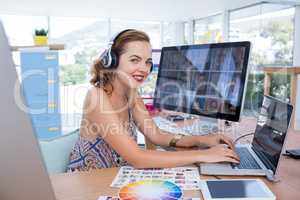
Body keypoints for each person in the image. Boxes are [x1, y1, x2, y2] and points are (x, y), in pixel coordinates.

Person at [67, 29, 240, 172]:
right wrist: (203, 155)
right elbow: (137, 158)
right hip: (89, 183)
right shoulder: (97, 96)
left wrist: (201, 140)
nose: (144, 69)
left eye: (148, 62)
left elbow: (156, 135)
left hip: (115, 178)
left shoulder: (131, 94)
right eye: (135, 60)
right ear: (112, 61)